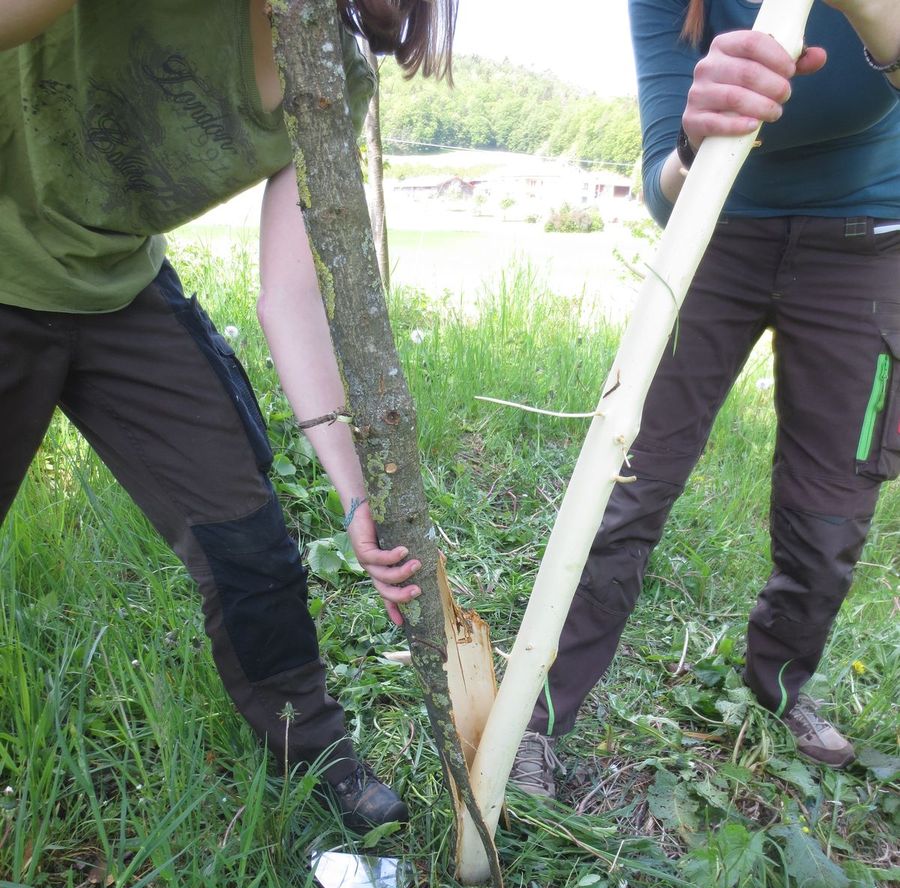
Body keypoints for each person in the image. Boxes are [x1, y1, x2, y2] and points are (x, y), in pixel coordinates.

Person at [0, 0, 457, 830]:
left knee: (247, 534)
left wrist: (357, 496)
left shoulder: (330, 69)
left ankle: (312, 746)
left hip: (116, 286)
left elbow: (290, 294)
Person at [511, 0, 900, 797]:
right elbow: (664, 187)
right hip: (715, 233)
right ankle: (537, 720)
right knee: (623, 480)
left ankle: (778, 688)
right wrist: (697, 139)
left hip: (870, 243)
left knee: (830, 507)